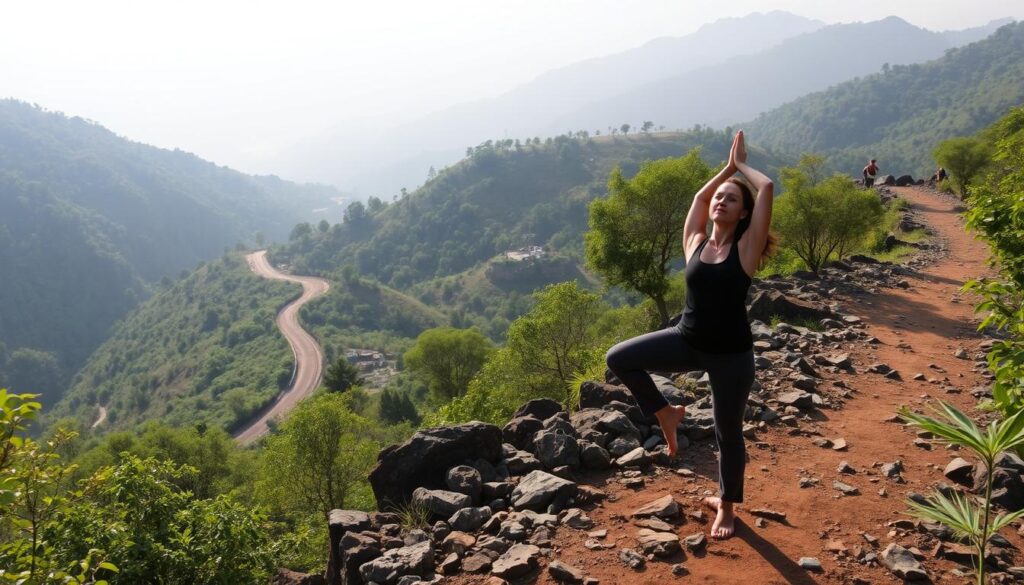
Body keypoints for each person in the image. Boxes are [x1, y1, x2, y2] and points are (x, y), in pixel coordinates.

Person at [605, 130, 775, 539]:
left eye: (732, 198)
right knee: (619, 358)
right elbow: (700, 199)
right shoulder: (695, 243)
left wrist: (740, 166)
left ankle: (727, 507)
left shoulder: (746, 248)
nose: (721, 200)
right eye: (720, 196)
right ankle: (665, 412)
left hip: (731, 356)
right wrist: (724, 173)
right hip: (686, 339)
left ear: (743, 214)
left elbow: (766, 186)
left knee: (727, 433)